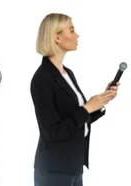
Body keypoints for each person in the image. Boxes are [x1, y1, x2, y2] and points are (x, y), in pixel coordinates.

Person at [30, 13, 119, 186]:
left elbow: (76, 120)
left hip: (73, 165)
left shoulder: (67, 73)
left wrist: (100, 102)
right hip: (54, 171)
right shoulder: (42, 79)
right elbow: (52, 132)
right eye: (71, 30)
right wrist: (87, 108)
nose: (77, 35)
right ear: (56, 37)